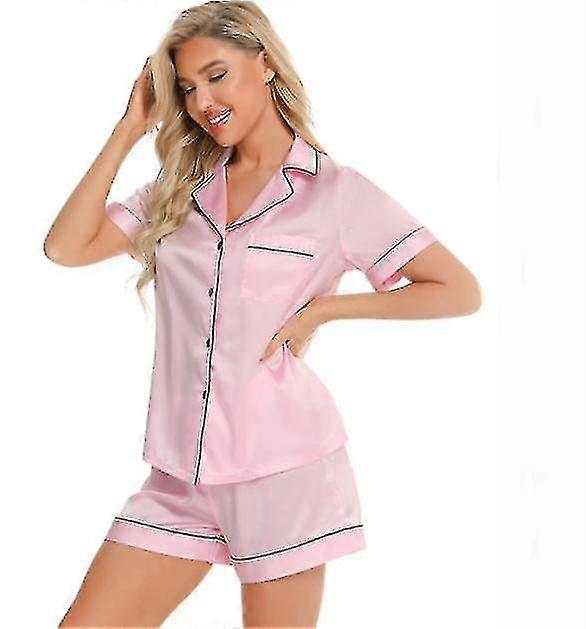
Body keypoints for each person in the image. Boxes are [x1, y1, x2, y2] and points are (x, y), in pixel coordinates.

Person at [45, 1, 482, 626]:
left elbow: (458, 289)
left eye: (217, 75)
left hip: (281, 471)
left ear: (266, 65)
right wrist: (129, 128)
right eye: (187, 88)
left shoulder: (337, 194)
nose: (202, 102)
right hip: (179, 474)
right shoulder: (179, 192)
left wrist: (325, 310)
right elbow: (65, 248)